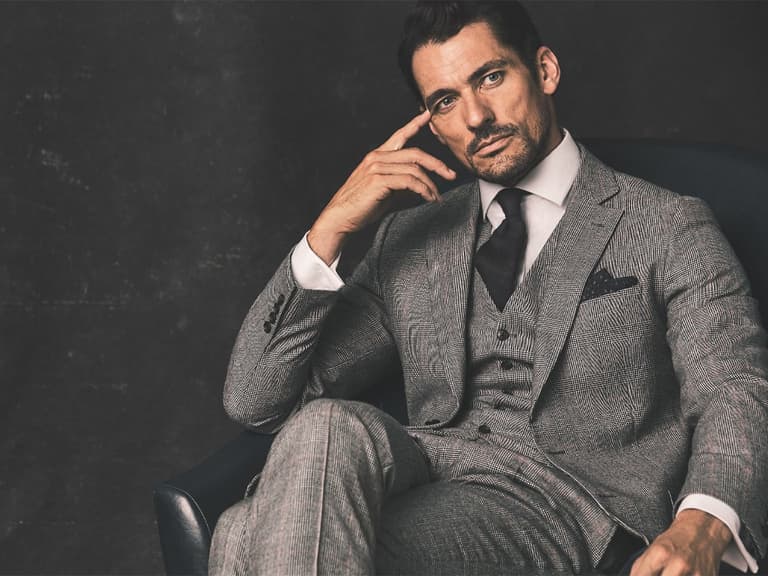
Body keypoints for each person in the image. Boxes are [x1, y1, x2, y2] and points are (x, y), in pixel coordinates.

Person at [209, 2, 768, 574]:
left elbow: (734, 386)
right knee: (323, 425)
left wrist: (705, 519)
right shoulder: (412, 238)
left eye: (491, 77)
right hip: (431, 463)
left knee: (242, 534)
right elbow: (255, 399)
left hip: (566, 502)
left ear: (545, 71)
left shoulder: (665, 224)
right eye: (445, 101)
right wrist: (328, 231)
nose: (475, 116)